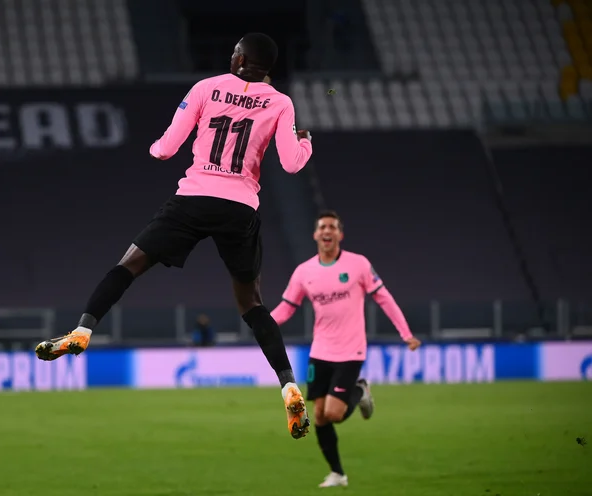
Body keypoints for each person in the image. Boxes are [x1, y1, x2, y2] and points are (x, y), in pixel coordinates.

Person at [34, 33, 313, 440]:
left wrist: (153, 148)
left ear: (242, 58)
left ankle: (83, 330)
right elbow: (291, 164)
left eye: (234, 49)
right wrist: (305, 143)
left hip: (194, 197)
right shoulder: (280, 102)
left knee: (128, 266)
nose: (231, 53)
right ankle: (288, 384)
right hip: (239, 207)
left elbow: (165, 150)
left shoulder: (206, 87)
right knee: (251, 304)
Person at [270, 211, 422, 486]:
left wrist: (406, 333)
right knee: (318, 416)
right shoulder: (304, 272)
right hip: (320, 351)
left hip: (351, 350)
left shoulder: (358, 265)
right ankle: (338, 474)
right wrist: (263, 325)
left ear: (340, 234)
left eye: (332, 227)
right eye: (322, 227)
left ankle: (360, 390)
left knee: (334, 414)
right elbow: (287, 308)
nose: (327, 231)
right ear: (316, 235)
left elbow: (384, 298)